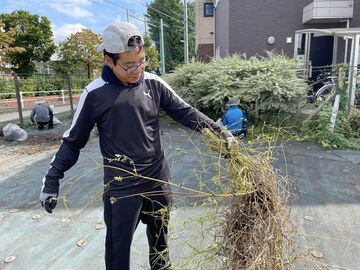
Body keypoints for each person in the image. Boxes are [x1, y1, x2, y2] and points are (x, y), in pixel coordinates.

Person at [39, 21, 236, 270]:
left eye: (142, 61)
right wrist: (51, 181)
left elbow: (186, 113)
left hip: (158, 181)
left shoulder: (153, 83)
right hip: (122, 189)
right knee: (118, 255)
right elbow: (72, 142)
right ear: (109, 60)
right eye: (130, 64)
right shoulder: (95, 93)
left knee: (161, 249)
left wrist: (221, 133)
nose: (138, 70)